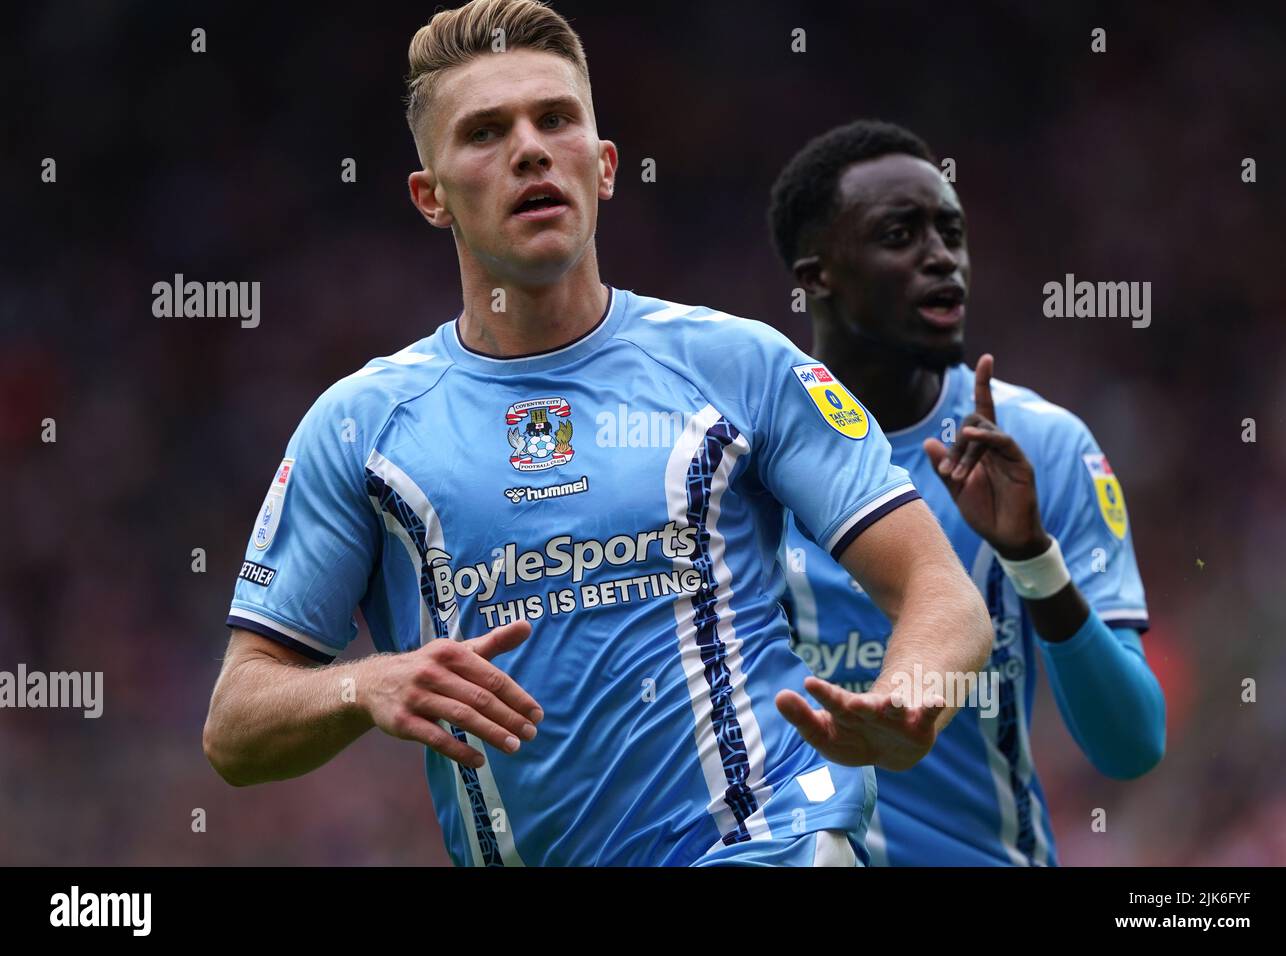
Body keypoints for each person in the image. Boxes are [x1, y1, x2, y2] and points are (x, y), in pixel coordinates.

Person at [202, 2, 991, 867]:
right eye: (485, 132)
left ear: (605, 165)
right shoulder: (359, 427)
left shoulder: (741, 366)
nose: (531, 149)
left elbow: (941, 592)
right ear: (432, 198)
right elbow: (236, 725)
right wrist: (366, 684)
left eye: (556, 119)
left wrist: (913, 694)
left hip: (776, 840)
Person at [767, 119, 1166, 866]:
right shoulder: (744, 459)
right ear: (815, 274)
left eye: (951, 233)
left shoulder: (1041, 447)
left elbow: (1132, 744)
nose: (942, 258)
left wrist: (1031, 557)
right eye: (901, 235)